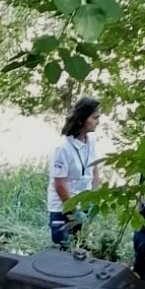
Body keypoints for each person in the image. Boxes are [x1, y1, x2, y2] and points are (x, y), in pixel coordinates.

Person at [47, 97, 101, 247]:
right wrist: (74, 211)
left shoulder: (92, 141)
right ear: (82, 120)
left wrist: (93, 198)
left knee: (80, 251)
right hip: (63, 208)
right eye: (94, 118)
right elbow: (60, 185)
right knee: (63, 254)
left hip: (83, 205)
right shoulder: (63, 147)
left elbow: (95, 171)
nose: (98, 122)